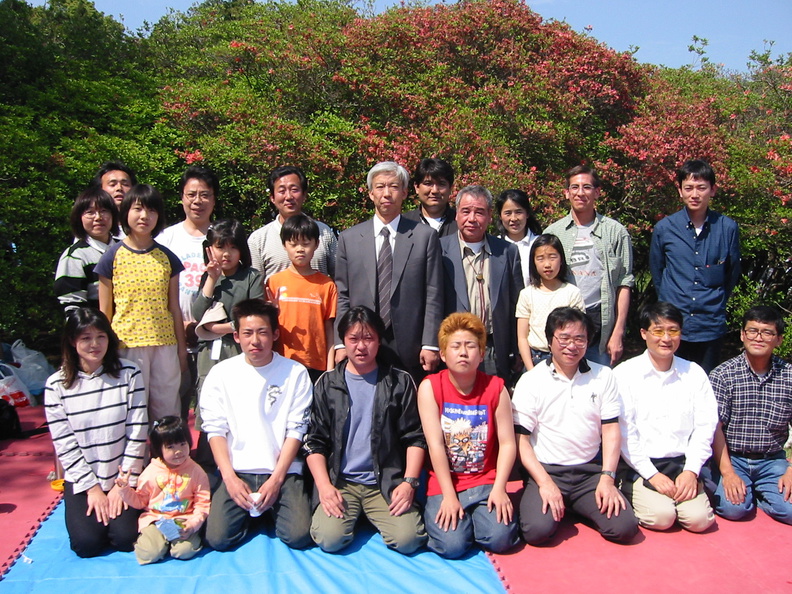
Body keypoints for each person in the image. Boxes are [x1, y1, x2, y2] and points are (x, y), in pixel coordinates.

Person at [304, 306, 426, 554]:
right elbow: (315, 442)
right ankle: (354, 515)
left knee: (409, 539)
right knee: (329, 539)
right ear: (343, 341)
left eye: (368, 338)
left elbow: (414, 436)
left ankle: (371, 513)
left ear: (379, 341)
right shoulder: (327, 384)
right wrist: (325, 487)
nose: (361, 346)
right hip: (342, 483)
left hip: (385, 482)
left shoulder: (398, 382)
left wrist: (409, 482)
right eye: (354, 339)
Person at [512, 307, 638, 545]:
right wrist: (545, 483)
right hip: (547, 472)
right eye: (564, 338)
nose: (572, 346)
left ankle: (577, 504)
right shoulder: (531, 381)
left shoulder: (604, 376)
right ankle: (558, 503)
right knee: (537, 532)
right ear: (550, 341)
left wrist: (607, 478)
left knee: (625, 528)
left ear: (588, 341)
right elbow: (522, 441)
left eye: (579, 338)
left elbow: (611, 430)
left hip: (589, 474)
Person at [200, 299, 313, 550]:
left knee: (298, 536)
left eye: (262, 332)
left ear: (274, 334)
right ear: (237, 336)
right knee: (218, 539)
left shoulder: (295, 373)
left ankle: (266, 508)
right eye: (247, 333)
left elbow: (297, 430)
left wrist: (276, 478)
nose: (255, 341)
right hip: (237, 471)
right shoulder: (221, 374)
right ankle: (252, 511)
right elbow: (215, 429)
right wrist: (229, 477)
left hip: (282, 472)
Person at [44, 308, 147, 558]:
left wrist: (120, 485)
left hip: (122, 475)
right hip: (84, 479)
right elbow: (64, 444)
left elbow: (137, 429)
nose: (94, 344)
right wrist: (93, 489)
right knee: (86, 545)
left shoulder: (129, 373)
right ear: (72, 341)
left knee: (125, 539)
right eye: (86, 338)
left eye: (101, 336)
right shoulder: (56, 386)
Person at [417, 312, 519, 559]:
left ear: (481, 354)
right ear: (442, 354)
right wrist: (450, 496)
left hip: (486, 482)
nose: (463, 352)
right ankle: (464, 524)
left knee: (501, 538)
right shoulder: (430, 387)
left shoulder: (496, 388)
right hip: (446, 483)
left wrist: (500, 488)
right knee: (452, 546)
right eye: (456, 346)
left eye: (470, 346)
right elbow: (436, 445)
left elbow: (507, 443)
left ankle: (478, 521)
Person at [335, 161, 443, 382]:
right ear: (370, 193)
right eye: (380, 187)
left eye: (393, 186)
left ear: (404, 192)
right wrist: (341, 341)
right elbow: (343, 295)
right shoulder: (349, 239)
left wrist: (430, 343)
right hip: (362, 342)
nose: (387, 193)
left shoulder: (424, 237)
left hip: (410, 346)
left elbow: (434, 293)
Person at [615, 302, 718, 532]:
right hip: (641, 465)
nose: (666, 338)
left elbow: (705, 426)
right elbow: (624, 433)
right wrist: (652, 474)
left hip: (682, 464)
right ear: (644, 333)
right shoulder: (625, 374)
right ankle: (633, 490)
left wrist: (691, 471)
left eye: (673, 330)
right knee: (662, 517)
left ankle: (687, 489)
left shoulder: (694, 373)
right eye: (658, 331)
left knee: (699, 520)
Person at [96, 184, 188, 422]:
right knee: (131, 411)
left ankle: (167, 458)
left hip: (164, 345)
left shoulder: (168, 258)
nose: (144, 216)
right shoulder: (112, 256)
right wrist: (104, 351)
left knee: (167, 409)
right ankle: (135, 459)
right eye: (138, 209)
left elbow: (174, 308)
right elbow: (105, 311)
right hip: (126, 344)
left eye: (151, 211)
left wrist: (180, 350)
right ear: (126, 212)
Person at [650, 159, 741, 373]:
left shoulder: (727, 228)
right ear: (680, 190)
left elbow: (732, 273)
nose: (695, 194)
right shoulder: (665, 228)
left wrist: (716, 302)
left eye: (701, 188)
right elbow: (657, 272)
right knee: (670, 383)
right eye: (688, 188)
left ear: (713, 190)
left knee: (705, 385)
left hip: (710, 324)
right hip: (672, 324)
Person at [706, 305, 792, 525]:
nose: (758, 337)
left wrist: (791, 470)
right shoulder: (723, 374)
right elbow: (714, 428)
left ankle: (763, 496)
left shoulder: (788, 376)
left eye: (767, 332)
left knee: (790, 511)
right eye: (752, 331)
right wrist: (728, 473)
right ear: (743, 335)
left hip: (772, 460)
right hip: (733, 458)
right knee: (734, 509)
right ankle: (747, 493)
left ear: (779, 339)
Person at [544, 165, 633, 367]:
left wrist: (618, 331)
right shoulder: (554, 232)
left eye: (587, 187)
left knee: (597, 385)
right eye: (575, 187)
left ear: (597, 192)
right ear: (567, 193)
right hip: (563, 319)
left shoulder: (616, 232)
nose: (580, 192)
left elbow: (624, 283)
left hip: (599, 320)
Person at [440, 185, 523, 381]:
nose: (472, 218)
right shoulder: (438, 249)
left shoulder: (507, 251)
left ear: (489, 216)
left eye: (479, 212)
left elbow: (516, 305)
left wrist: (516, 348)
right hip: (454, 344)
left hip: (493, 346)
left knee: (491, 403)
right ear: (456, 214)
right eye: (466, 211)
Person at [158, 166, 218, 420]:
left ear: (214, 199)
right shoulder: (166, 239)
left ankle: (208, 458)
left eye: (204, 195)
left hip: (213, 340)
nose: (197, 201)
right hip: (173, 338)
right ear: (182, 197)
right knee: (173, 405)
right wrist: (178, 325)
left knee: (213, 404)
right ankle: (172, 458)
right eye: (191, 194)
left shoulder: (222, 238)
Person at [115, 416, 210, 565]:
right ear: (159, 449)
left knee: (184, 551)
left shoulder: (197, 472)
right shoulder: (150, 473)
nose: (178, 451)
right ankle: (157, 543)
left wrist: (193, 525)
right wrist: (124, 489)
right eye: (170, 447)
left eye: (182, 444)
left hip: (184, 520)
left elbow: (202, 504)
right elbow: (140, 501)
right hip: (156, 520)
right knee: (150, 553)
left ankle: (175, 543)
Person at [192, 220, 263, 395]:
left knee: (240, 396)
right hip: (208, 349)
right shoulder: (208, 278)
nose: (226, 254)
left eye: (232, 248)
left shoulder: (252, 277)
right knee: (209, 397)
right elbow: (197, 313)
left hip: (239, 347)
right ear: (210, 249)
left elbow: (255, 315)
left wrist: (217, 328)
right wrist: (212, 278)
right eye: (220, 247)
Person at [266, 214, 337, 383]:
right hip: (281, 363)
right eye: (293, 243)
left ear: (316, 245)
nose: (300, 249)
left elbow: (329, 330)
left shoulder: (327, 285)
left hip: (316, 366)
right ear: (284, 245)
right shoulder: (274, 282)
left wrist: (330, 369)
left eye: (306, 243)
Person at [247, 165, 337, 282]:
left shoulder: (324, 233)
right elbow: (255, 286)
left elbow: (340, 278)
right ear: (272, 198)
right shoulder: (258, 239)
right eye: (281, 191)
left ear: (304, 194)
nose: (288, 196)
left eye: (294, 190)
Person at [516, 234, 584, 370]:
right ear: (533, 262)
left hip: (566, 357)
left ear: (561, 260)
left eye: (552, 257)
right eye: (540, 258)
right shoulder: (527, 294)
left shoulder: (572, 293)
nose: (547, 264)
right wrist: (530, 369)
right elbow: (522, 337)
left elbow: (580, 332)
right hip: (536, 358)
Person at [54, 187, 120, 313]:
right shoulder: (75, 256)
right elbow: (73, 307)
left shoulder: (126, 249)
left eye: (104, 211)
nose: (98, 217)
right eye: (90, 212)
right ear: (79, 218)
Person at [495, 189, 543, 286]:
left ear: (527, 213)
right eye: (508, 213)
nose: (513, 218)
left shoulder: (540, 244)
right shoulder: (494, 246)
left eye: (518, 212)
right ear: (500, 215)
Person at [403, 158, 458, 237]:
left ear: (450, 188)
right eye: (428, 183)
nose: (435, 190)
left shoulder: (461, 223)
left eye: (441, 184)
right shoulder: (404, 223)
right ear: (417, 187)